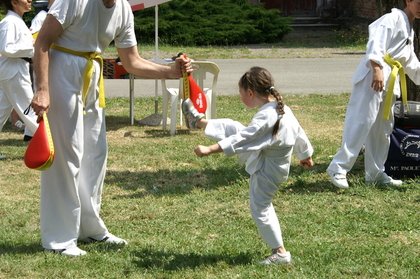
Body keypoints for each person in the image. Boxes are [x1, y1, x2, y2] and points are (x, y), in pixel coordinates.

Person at [30, 0, 192, 257]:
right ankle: (59, 238)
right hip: (62, 71)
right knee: (66, 155)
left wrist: (171, 72)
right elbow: (42, 42)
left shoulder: (123, 9)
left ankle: (89, 228)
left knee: (95, 155)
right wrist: (42, 89)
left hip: (92, 74)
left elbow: (132, 62)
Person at [182, 66, 314, 265]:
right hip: (268, 158)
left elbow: (244, 139)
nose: (240, 97)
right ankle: (198, 122)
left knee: (260, 207)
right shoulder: (280, 108)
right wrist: (305, 154)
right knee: (233, 126)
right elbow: (299, 132)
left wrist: (210, 149)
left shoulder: (267, 116)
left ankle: (280, 253)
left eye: (241, 93)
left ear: (250, 93)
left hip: (268, 170)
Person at [327, 0, 420, 189]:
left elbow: (411, 63)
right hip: (373, 77)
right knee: (361, 122)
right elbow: (375, 42)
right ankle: (338, 167)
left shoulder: (409, 28)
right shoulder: (392, 18)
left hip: (389, 81)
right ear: (408, 1)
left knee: (383, 128)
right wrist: (376, 67)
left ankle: (376, 172)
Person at [0, 0, 38, 141]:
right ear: (14, 2)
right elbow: (6, 48)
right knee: (30, 110)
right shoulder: (10, 22)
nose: (29, 0)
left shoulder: (16, 21)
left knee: (1, 111)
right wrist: (32, 48)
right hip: (13, 72)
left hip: (13, 70)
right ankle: (50, 146)